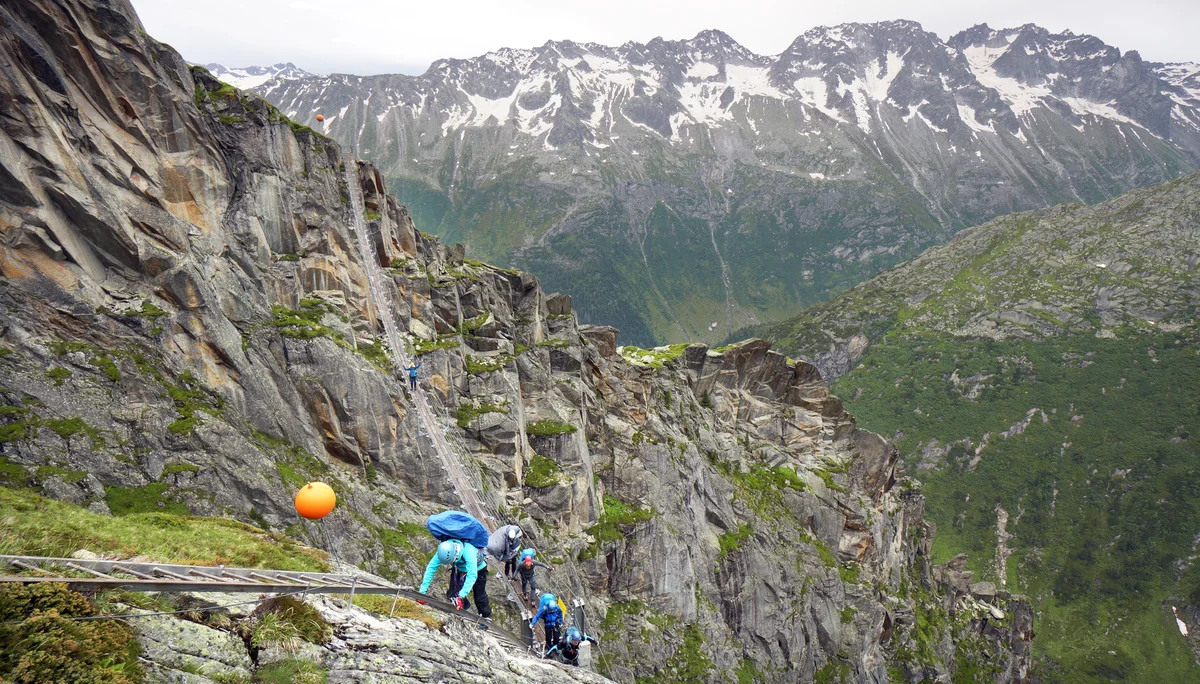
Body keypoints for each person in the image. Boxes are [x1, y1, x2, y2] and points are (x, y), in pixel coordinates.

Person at [418, 539, 490, 623]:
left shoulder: (468, 551)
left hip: (478, 568)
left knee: (479, 595)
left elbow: (472, 575)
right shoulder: (442, 552)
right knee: (452, 593)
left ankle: (486, 617)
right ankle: (463, 606)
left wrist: (461, 596)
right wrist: (422, 592)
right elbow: (431, 568)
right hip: (459, 568)